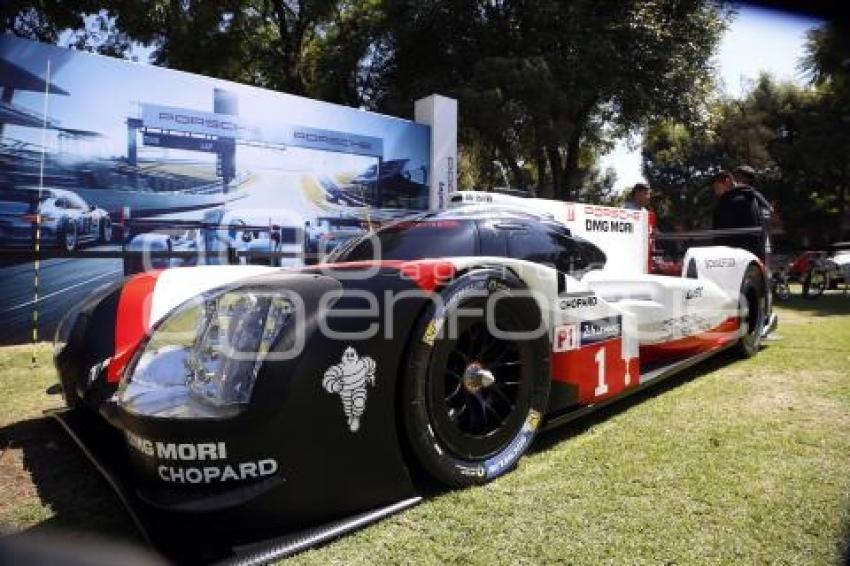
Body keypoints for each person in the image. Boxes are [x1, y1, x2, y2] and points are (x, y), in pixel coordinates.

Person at [711, 170, 767, 260]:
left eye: (717, 186)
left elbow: (721, 231)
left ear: (727, 181)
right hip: (755, 252)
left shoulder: (727, 201)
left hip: (734, 255)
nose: (715, 190)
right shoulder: (751, 195)